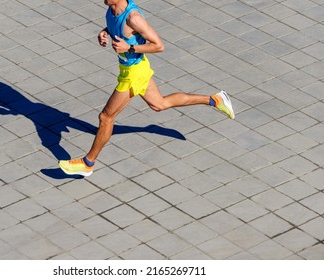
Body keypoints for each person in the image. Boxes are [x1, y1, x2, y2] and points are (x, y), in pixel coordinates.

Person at [59, 0, 234, 177]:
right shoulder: (112, 10)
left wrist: (130, 47)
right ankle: (215, 99)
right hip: (134, 68)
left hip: (134, 73)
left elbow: (159, 45)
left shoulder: (133, 18)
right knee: (159, 104)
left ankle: (87, 163)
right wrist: (105, 32)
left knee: (106, 117)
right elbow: (117, 27)